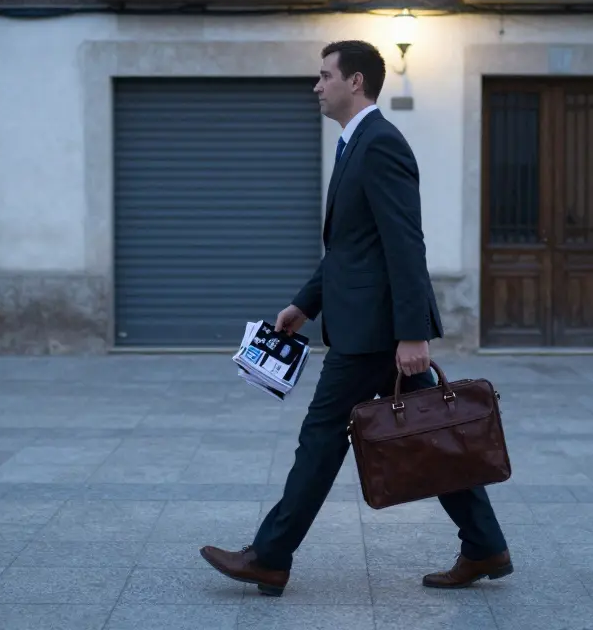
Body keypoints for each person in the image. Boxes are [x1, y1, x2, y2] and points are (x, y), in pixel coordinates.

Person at [199, 39, 512, 596]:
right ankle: (485, 545)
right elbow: (351, 249)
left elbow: (404, 243)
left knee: (321, 438)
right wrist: (304, 304)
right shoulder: (355, 144)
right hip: (366, 325)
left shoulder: (380, 144)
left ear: (356, 83)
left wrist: (412, 332)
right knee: (432, 433)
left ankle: (270, 556)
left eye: (324, 76)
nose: (316, 86)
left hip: (374, 334)